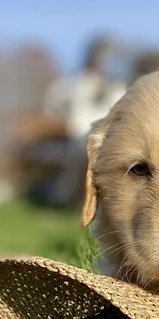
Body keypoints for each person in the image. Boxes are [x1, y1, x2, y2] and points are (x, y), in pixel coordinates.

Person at [43, 37, 126, 207]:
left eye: (110, 56)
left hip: (110, 136)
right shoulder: (75, 84)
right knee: (82, 151)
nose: (106, 61)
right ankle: (66, 196)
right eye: (103, 55)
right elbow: (56, 106)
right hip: (80, 136)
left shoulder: (118, 87)